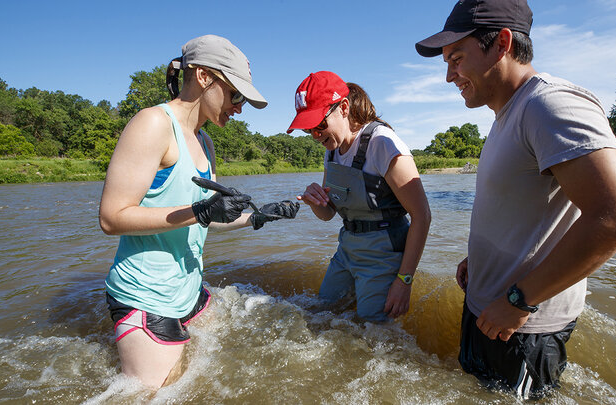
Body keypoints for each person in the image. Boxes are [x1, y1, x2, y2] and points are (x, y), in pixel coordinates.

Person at [415, 0, 616, 398]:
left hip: (522, 328)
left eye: (456, 57)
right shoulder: (507, 114)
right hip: (492, 312)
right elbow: (525, 209)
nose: (449, 75)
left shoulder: (549, 104)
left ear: (502, 43)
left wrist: (521, 301)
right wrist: (482, 258)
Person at [98, 35, 298, 388]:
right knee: (154, 395)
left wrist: (258, 216)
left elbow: (210, 217)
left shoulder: (205, 141)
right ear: (204, 76)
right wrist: (201, 210)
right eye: (236, 95)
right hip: (147, 296)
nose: (239, 108)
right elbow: (111, 218)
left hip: (189, 289)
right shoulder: (153, 124)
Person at [289, 71, 431, 323]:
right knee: (320, 314)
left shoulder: (383, 143)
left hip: (384, 253)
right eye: (308, 129)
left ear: (343, 107)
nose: (315, 135)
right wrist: (314, 202)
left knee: (373, 331)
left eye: (320, 124)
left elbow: (422, 216)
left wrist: (404, 280)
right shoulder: (331, 151)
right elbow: (328, 213)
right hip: (347, 248)